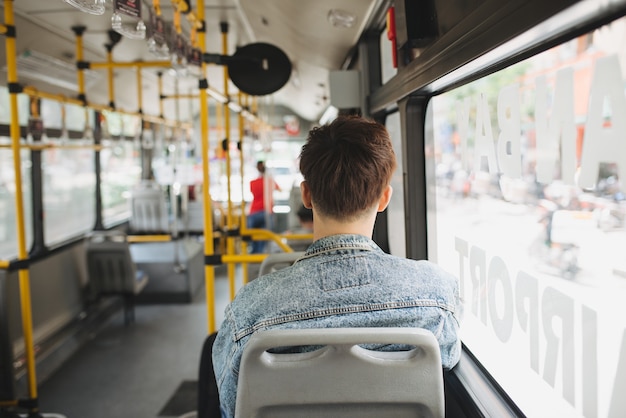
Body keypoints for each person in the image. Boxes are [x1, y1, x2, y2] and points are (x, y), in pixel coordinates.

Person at [206, 115, 462, 418]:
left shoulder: (249, 311)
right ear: (384, 199)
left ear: (307, 195)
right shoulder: (436, 295)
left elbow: (231, 406)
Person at [247, 160, 280, 253]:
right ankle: (261, 255)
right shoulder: (270, 181)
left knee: (253, 237)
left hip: (254, 212)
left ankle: (254, 254)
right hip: (266, 211)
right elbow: (279, 189)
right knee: (264, 237)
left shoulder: (253, 183)